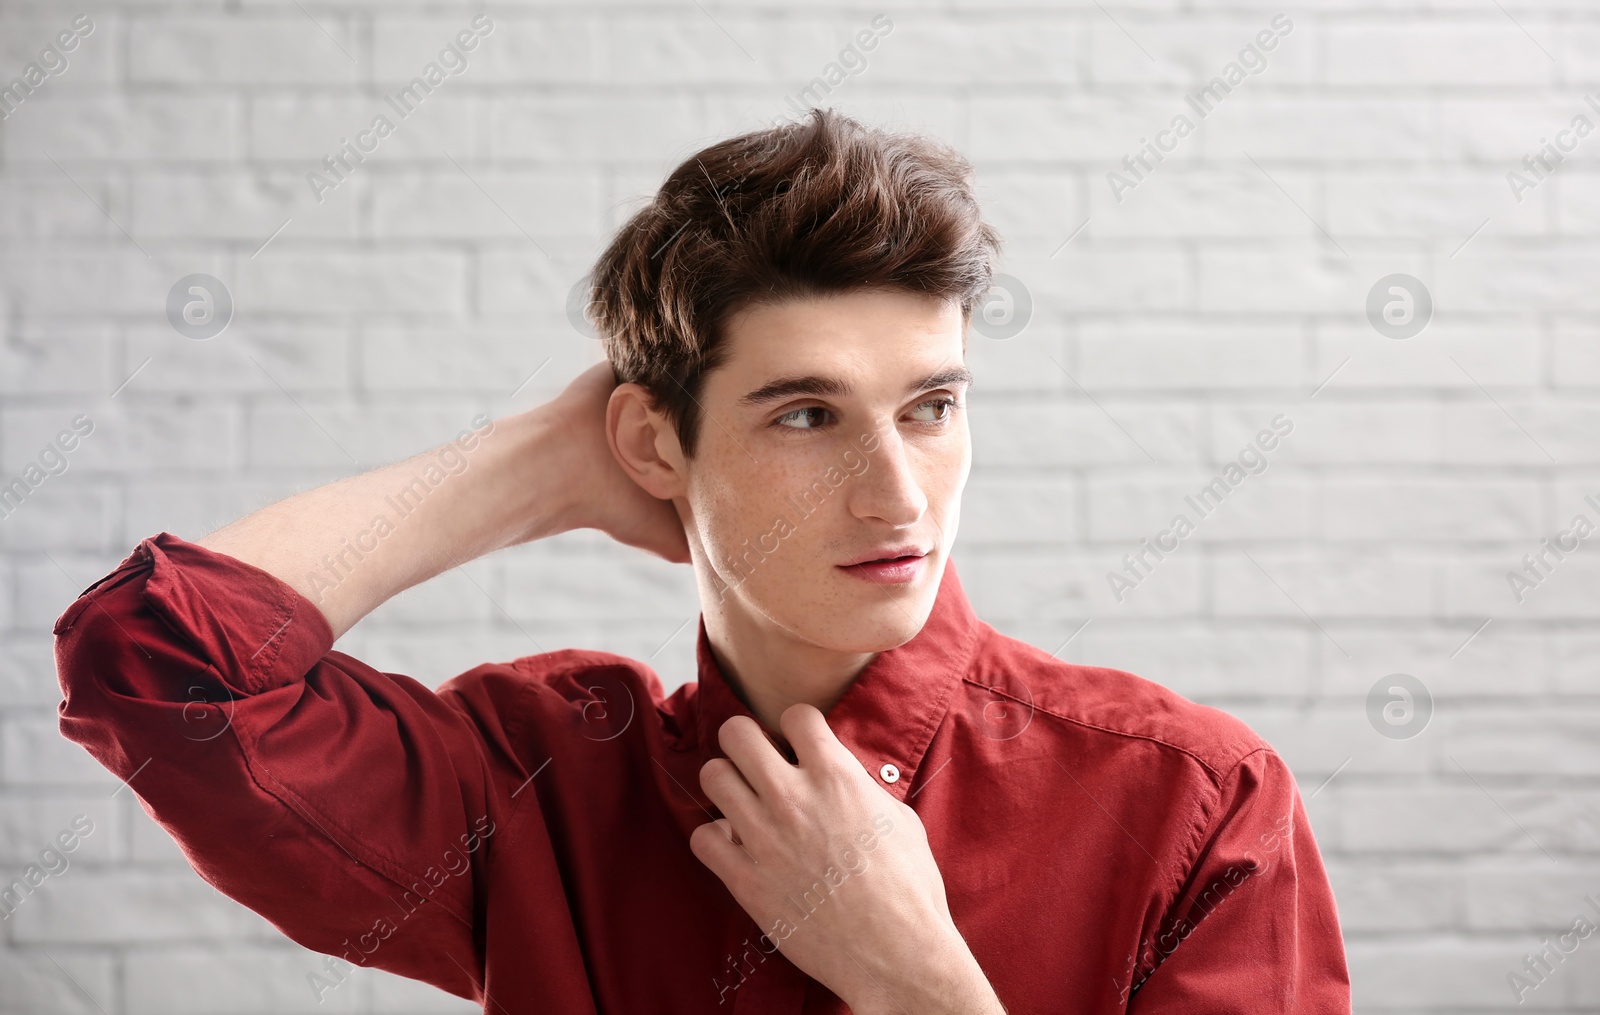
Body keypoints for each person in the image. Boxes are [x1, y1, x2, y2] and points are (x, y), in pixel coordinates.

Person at [53, 109, 1351, 1013]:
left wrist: (916, 984)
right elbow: (159, 666)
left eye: (932, 407)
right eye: (805, 415)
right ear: (654, 442)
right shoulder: (541, 792)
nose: (898, 493)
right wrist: (537, 466)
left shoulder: (1197, 805)